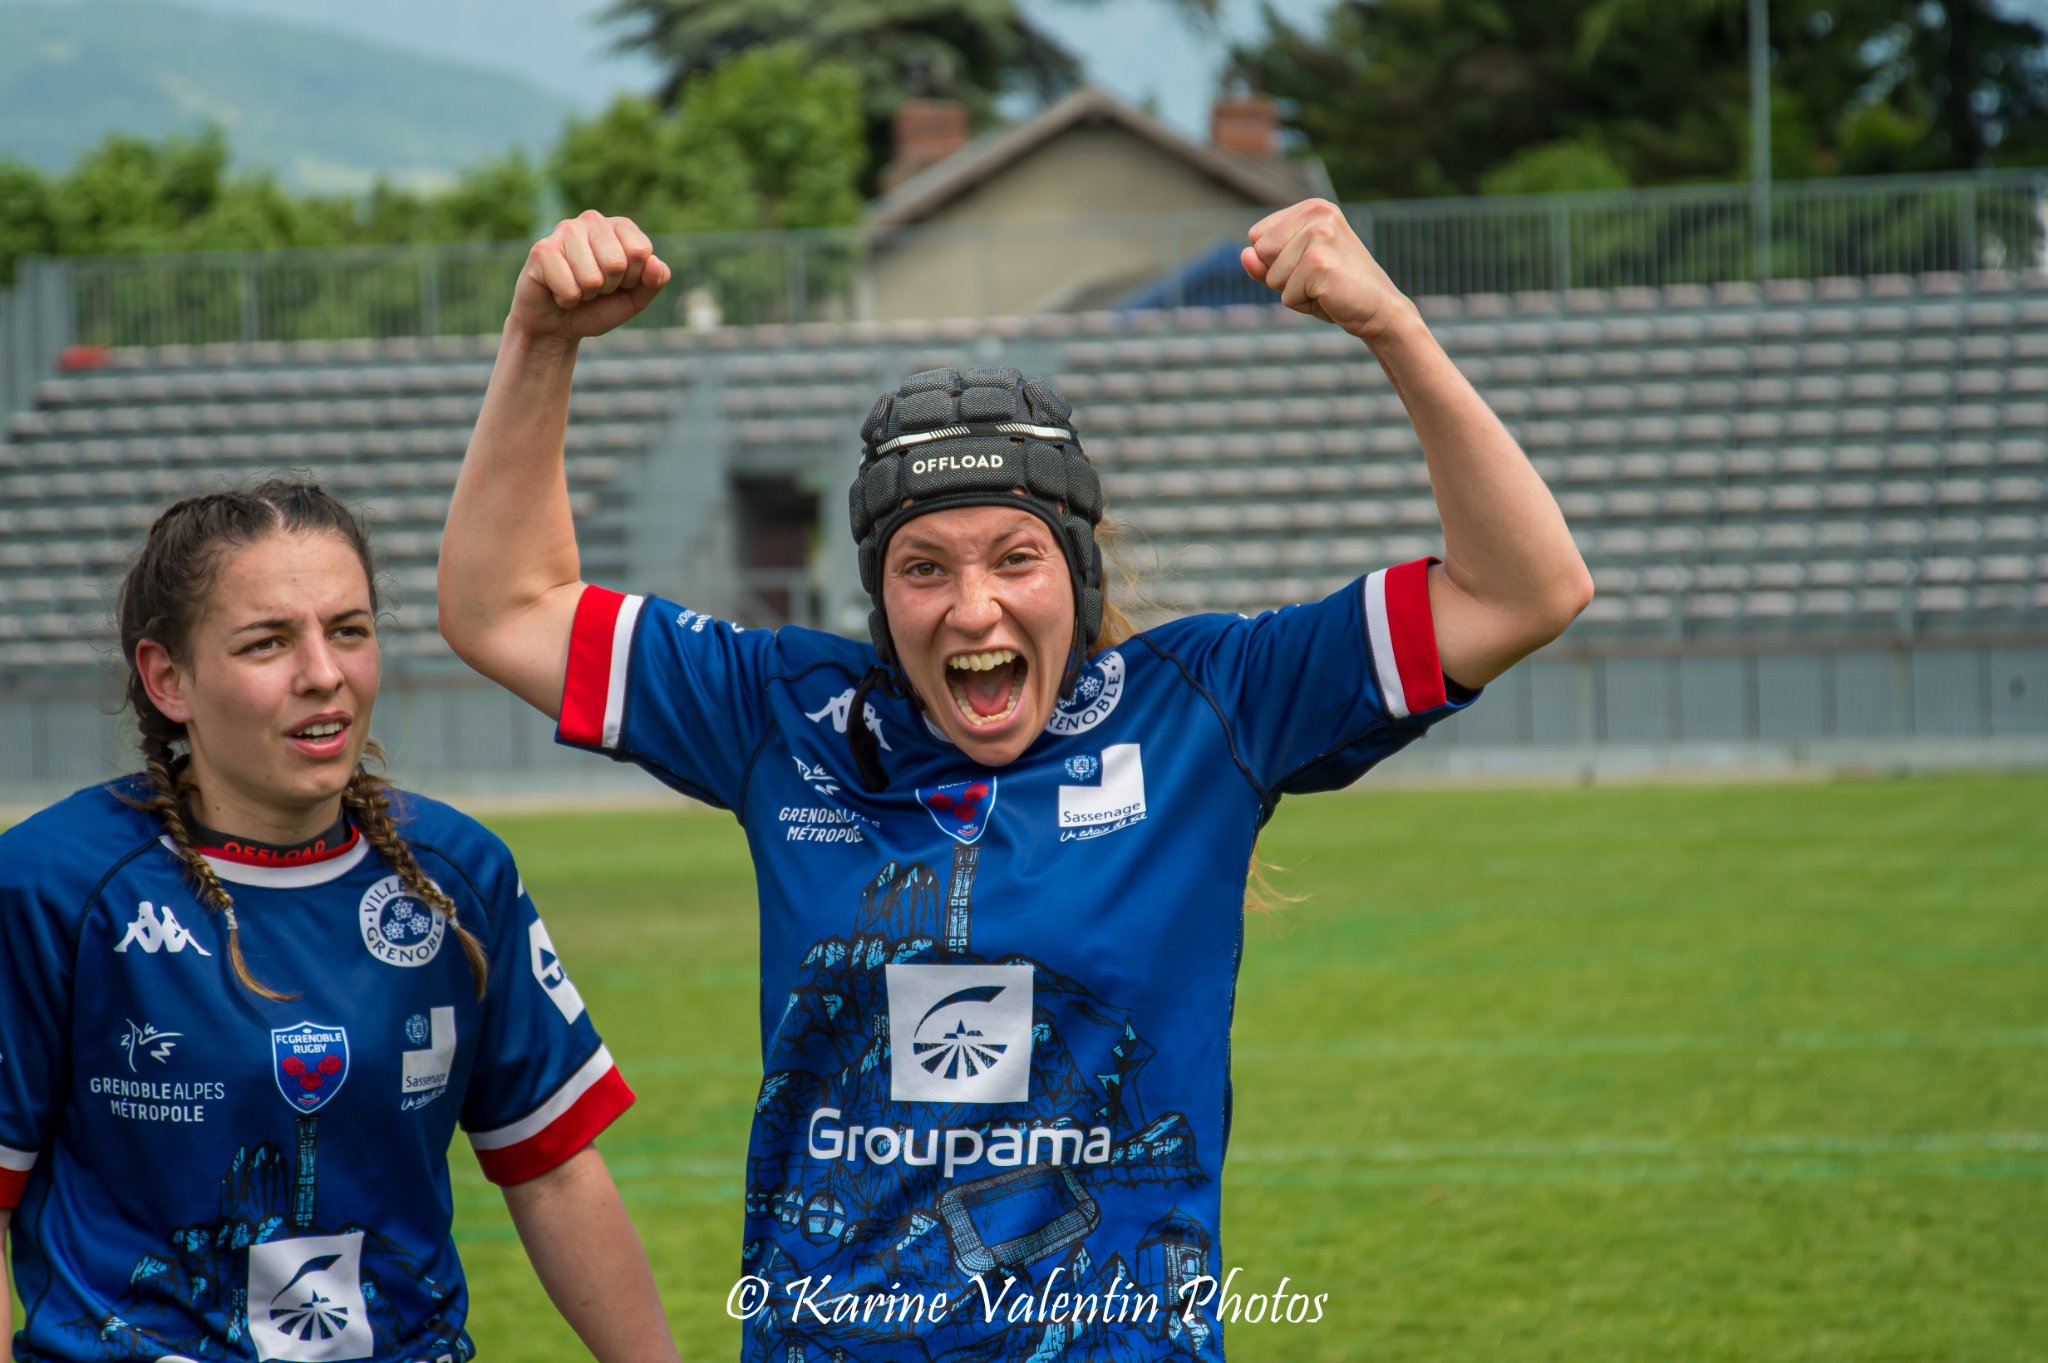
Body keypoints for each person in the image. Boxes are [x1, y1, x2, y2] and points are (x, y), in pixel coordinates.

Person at [438, 203, 1593, 1360]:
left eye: (1015, 557)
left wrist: (1391, 324)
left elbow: (1523, 589)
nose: (972, 606)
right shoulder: (788, 718)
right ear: (879, 601)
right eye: (922, 567)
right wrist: (542, 339)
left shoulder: (1206, 708)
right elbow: (503, 608)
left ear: (1077, 578)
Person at [0, 481, 678, 1363]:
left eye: (349, 629)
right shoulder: (52, 885)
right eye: (268, 642)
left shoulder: (457, 874)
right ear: (169, 677)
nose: (323, 672)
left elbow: (551, 1168)